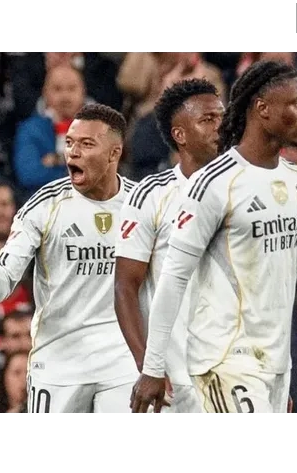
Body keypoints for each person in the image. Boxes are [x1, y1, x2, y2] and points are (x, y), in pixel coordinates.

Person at [131, 60, 297, 413]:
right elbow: (174, 276)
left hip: (277, 362)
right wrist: (152, 367)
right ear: (263, 109)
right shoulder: (213, 184)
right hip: (224, 358)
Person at [0, 103, 138, 413]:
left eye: (87, 144)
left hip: (122, 360)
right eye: (69, 143)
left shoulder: (144, 206)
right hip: (59, 360)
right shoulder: (43, 206)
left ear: (114, 153)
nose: (72, 153)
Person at [114, 78, 224, 413]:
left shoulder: (250, 192)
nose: (221, 127)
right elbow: (125, 286)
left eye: (223, 117)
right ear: (180, 135)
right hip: (175, 378)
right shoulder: (151, 195)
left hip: (237, 373)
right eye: (208, 120)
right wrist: (148, 366)